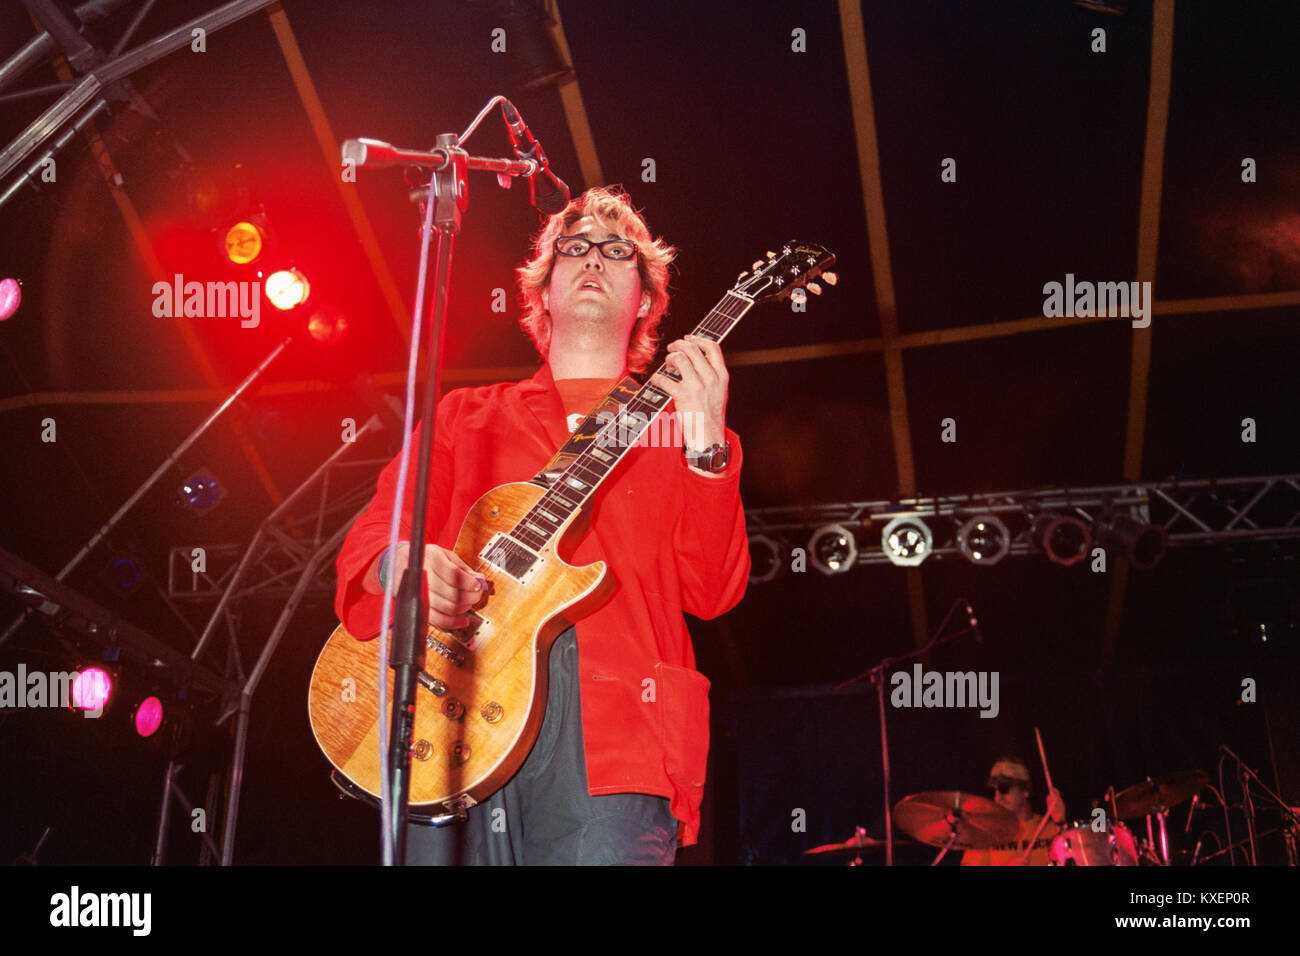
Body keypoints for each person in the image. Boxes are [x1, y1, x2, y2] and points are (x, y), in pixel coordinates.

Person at [333, 186, 749, 864]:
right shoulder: (465, 415)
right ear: (542, 292)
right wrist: (405, 563)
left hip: (618, 737)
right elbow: (376, 536)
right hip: (454, 712)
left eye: (618, 252)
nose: (594, 258)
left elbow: (712, 591)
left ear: (644, 299)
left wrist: (705, 445)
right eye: (574, 248)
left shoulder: (684, 433)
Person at [961, 755, 1066, 866]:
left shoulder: (1051, 829)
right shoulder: (984, 835)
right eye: (993, 791)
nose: (997, 798)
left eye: (1004, 789)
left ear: (1025, 790)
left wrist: (1061, 821)